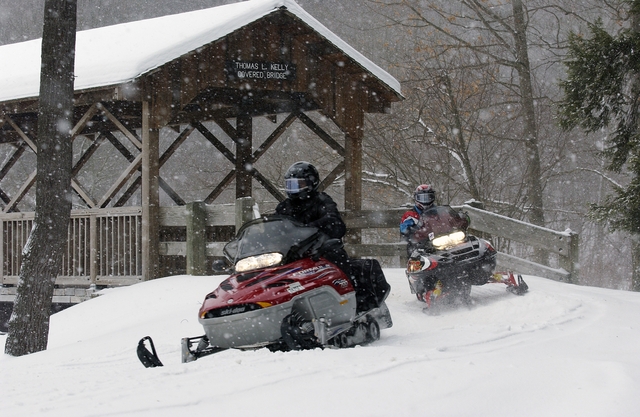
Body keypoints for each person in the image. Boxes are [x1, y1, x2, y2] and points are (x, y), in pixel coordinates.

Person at [275, 161, 350, 276]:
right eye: (290, 185)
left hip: (317, 249)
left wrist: (309, 228)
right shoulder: (284, 206)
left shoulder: (321, 201)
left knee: (336, 256)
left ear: (311, 183)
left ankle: (346, 287)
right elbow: (275, 225)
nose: (293, 189)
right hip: (291, 251)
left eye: (298, 185)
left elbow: (335, 223)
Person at [400, 184, 470, 256]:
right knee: (416, 253)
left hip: (440, 240)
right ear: (416, 198)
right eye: (421, 198)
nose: (425, 201)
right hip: (420, 245)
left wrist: (460, 220)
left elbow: (450, 220)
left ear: (432, 197)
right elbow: (404, 229)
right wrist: (412, 231)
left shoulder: (441, 212)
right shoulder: (410, 215)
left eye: (428, 197)